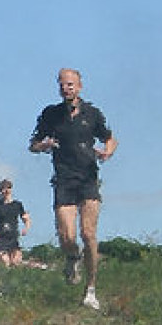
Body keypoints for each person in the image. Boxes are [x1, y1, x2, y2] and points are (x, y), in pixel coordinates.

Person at [29, 67, 118, 310]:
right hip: (64, 180)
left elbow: (110, 138)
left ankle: (91, 289)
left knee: (88, 233)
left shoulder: (92, 113)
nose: (65, 88)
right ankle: (71, 257)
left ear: (79, 87)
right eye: (62, 84)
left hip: (88, 178)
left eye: (70, 84)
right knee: (67, 236)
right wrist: (43, 144)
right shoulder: (51, 114)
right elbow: (33, 145)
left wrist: (107, 152)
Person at [0, 179, 32, 268]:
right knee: (5, 262)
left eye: (8, 188)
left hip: (13, 237)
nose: (6, 191)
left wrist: (26, 228)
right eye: (3, 188)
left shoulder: (17, 205)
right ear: (0, 190)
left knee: (16, 262)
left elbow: (26, 219)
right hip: (0, 237)